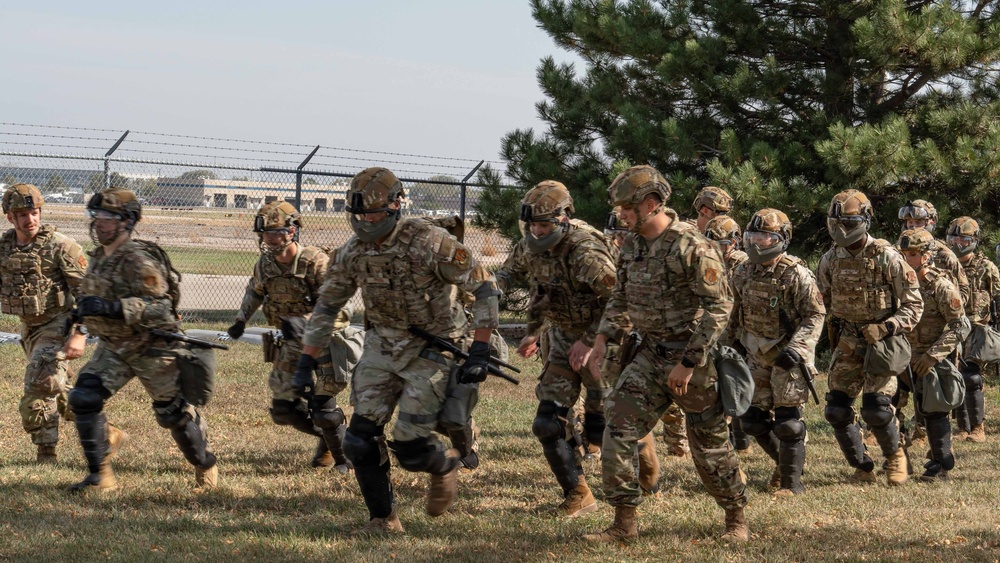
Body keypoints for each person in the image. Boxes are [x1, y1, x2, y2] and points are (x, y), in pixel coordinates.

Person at [296, 167, 500, 534]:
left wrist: (481, 346)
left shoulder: (429, 241)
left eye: (372, 212)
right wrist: (306, 358)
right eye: (359, 214)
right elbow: (327, 306)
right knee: (359, 438)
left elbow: (484, 285)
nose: (366, 220)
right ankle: (384, 519)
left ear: (395, 205)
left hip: (433, 347)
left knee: (410, 447)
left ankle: (445, 465)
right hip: (382, 345)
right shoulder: (352, 252)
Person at [586, 165, 749, 544]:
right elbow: (621, 297)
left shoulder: (691, 246)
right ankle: (624, 525)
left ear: (652, 203)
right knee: (618, 431)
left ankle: (736, 521)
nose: (621, 215)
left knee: (708, 448)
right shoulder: (634, 245)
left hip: (692, 361)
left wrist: (689, 362)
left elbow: (721, 306)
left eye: (627, 207)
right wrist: (601, 340)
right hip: (649, 355)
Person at [65, 187, 217, 491]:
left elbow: (162, 307)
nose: (99, 222)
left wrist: (114, 307)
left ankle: (205, 464)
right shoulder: (98, 258)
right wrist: (79, 319)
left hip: (153, 346)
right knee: (84, 398)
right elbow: (92, 298)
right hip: (115, 347)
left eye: (109, 216)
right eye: (96, 215)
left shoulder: (137, 259)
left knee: (172, 415)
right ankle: (101, 477)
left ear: (127, 221)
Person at [495, 180, 618, 516]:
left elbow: (620, 301)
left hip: (604, 338)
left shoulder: (584, 250)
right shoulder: (529, 244)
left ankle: (643, 474)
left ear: (563, 218)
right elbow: (509, 275)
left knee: (607, 423)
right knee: (547, 423)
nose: (536, 231)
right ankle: (578, 495)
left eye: (544, 224)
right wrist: (487, 292)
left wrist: (590, 340)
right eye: (531, 224)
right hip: (563, 336)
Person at [226, 202, 350, 472]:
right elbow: (255, 291)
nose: (270, 239)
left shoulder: (314, 262)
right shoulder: (266, 264)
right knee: (283, 410)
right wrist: (240, 320)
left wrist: (304, 322)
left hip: (326, 343)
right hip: (292, 345)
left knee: (323, 409)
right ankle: (328, 439)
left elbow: (340, 308)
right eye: (266, 234)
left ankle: (344, 460)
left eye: (277, 232)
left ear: (292, 231)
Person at [817, 190, 923, 486]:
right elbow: (819, 302)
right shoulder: (830, 259)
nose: (842, 229)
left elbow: (915, 306)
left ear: (864, 220)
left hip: (883, 342)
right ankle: (862, 466)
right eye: (836, 222)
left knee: (876, 408)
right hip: (848, 339)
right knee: (836, 409)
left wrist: (887, 327)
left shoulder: (887, 257)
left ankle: (895, 457)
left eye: (849, 222)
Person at [730, 209, 825, 496]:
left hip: (788, 358)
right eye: (754, 236)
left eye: (766, 237)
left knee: (788, 424)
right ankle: (784, 464)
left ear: (781, 239)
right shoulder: (743, 270)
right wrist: (728, 345)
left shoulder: (795, 273)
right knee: (752, 420)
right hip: (755, 354)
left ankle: (791, 483)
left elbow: (815, 314)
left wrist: (797, 349)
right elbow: (735, 311)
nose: (758, 243)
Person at [0, 184, 88, 463]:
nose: (31, 219)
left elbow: (89, 293)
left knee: (39, 384)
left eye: (35, 212)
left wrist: (80, 333)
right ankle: (92, 415)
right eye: (23, 214)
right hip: (29, 328)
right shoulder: (4, 249)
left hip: (59, 323)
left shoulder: (61, 246)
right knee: (53, 387)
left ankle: (46, 455)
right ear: (9, 217)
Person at [896, 228, 968, 482]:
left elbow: (960, 326)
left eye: (913, 254)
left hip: (933, 361)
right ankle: (898, 460)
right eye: (904, 253)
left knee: (934, 412)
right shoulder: (899, 284)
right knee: (894, 408)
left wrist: (932, 356)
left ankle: (941, 464)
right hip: (903, 358)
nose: (907, 259)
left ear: (926, 256)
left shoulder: (940, 285)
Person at [946, 217, 1000, 442]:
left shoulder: (986, 266)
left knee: (972, 377)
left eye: (964, 238)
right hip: (952, 328)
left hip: (978, 328)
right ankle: (962, 428)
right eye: (954, 238)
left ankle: (978, 428)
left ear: (974, 240)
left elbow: (998, 296)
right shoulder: (946, 264)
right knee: (955, 375)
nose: (958, 243)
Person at [704, 215, 753, 454]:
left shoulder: (745, 264)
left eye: (721, 245)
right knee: (722, 391)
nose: (717, 250)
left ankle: (742, 442)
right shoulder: (708, 262)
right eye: (712, 245)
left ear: (735, 242)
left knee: (740, 389)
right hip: (717, 335)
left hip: (741, 337)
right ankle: (736, 443)